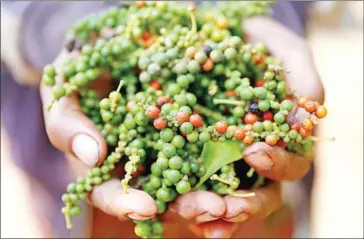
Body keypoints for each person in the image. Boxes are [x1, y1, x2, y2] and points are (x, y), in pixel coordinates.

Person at [1, 1, 324, 238]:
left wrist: (270, 17)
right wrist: (59, 23)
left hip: (261, 197)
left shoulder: (239, 81)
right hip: (60, 175)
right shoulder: (130, 96)